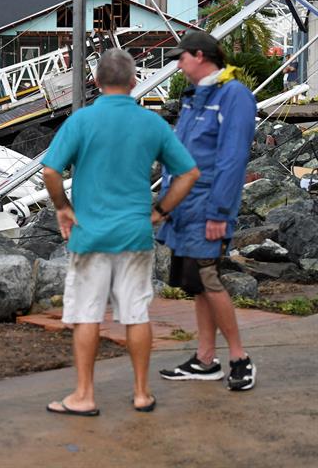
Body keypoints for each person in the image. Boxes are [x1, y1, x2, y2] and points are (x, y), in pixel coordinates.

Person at [42, 48, 199, 416]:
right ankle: (142, 393)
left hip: (90, 235)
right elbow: (189, 173)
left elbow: (50, 171)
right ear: (133, 82)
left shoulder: (81, 121)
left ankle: (84, 395)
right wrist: (159, 211)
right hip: (134, 234)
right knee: (136, 313)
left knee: (87, 315)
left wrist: (63, 208)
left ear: (96, 82)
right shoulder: (152, 124)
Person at [156, 31, 258, 391]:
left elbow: (232, 159)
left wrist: (219, 213)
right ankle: (204, 359)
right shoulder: (198, 97)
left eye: (181, 59)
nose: (179, 67)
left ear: (200, 56)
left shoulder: (234, 96)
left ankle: (239, 357)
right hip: (185, 209)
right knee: (198, 285)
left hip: (206, 209)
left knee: (210, 280)